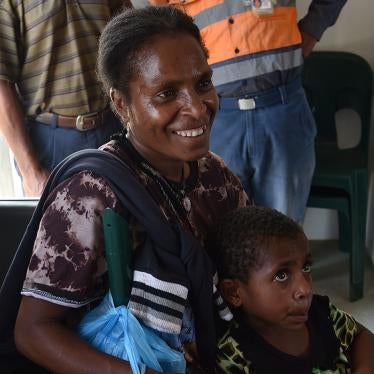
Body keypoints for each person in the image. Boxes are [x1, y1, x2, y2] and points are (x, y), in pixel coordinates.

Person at [11, 6, 249, 373]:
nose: (198, 109)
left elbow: (251, 270)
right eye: (167, 93)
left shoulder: (215, 176)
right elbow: (32, 331)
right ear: (121, 104)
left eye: (203, 83)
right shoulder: (90, 196)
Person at [148, 0, 347, 223]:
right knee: (224, 228)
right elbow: (163, 17)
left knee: (284, 226)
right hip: (216, 118)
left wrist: (312, 29)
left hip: (282, 111)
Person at [209, 206, 374, 373]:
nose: (305, 288)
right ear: (234, 292)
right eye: (281, 276)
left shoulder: (321, 313)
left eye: (306, 268)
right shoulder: (234, 357)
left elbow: (362, 336)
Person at [0, 1, 132, 197]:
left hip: (114, 127)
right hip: (51, 143)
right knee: (63, 225)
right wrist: (31, 172)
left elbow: (132, 43)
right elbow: (2, 85)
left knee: (125, 223)